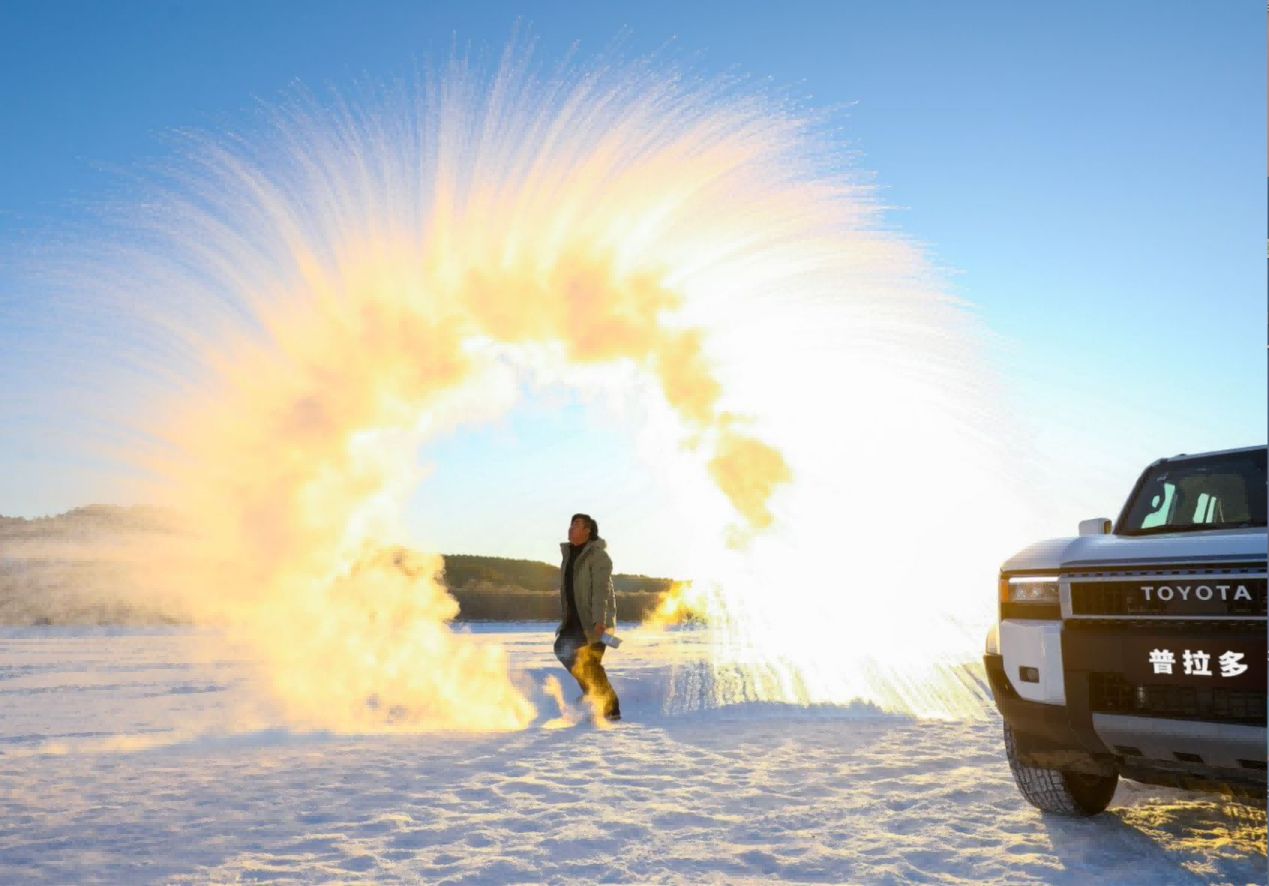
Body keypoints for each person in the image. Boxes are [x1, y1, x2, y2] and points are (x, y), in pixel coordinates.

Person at [553, 513, 621, 721]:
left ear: (588, 530)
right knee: (563, 649)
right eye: (571, 524)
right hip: (574, 620)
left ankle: (611, 710)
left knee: (590, 664)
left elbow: (600, 591)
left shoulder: (598, 556)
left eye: (577, 525)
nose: (571, 528)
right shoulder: (570, 554)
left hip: (593, 621)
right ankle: (595, 696)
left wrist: (599, 621)